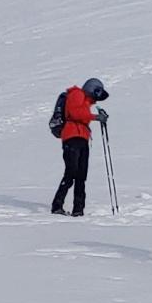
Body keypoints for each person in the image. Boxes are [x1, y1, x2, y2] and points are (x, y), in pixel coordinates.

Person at [50, 77, 109, 216]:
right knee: (71, 172)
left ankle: (78, 209)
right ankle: (57, 205)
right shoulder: (77, 94)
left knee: (81, 175)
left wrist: (94, 116)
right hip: (72, 137)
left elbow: (81, 114)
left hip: (82, 138)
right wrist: (95, 117)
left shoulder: (86, 101)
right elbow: (75, 113)